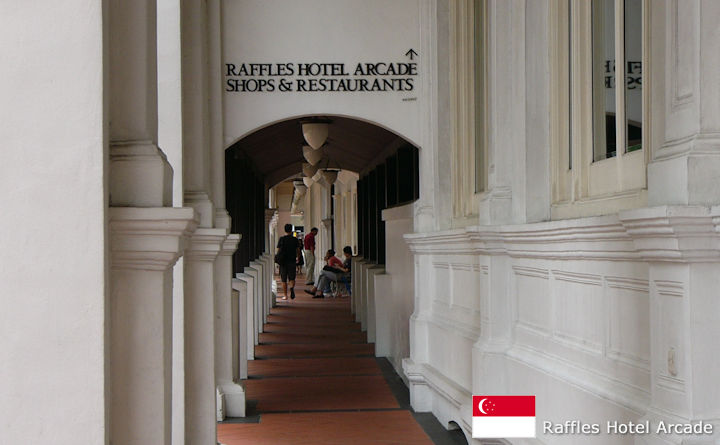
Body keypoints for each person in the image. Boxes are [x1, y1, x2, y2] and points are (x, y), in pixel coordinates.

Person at [276, 223, 301, 300]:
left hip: (283, 262)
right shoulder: (295, 239)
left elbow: (278, 250)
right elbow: (298, 250)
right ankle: (292, 287)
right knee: (292, 278)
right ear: (291, 230)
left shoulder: (281, 239)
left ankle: (285, 295)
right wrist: (298, 258)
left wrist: (278, 259)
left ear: (285, 230)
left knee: (283, 279)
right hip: (292, 261)